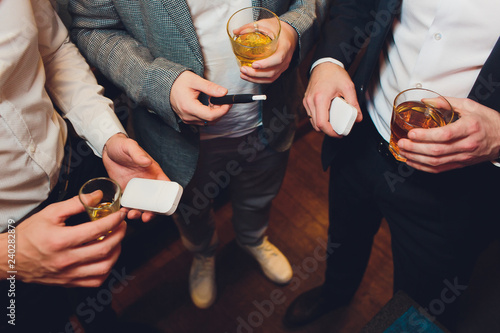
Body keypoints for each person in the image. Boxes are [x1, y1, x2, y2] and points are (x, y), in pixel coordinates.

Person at [69, 0, 327, 309]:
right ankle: (204, 252)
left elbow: (308, 4)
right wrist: (159, 83)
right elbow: (93, 28)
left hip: (270, 116)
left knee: (260, 194)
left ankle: (253, 239)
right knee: (190, 210)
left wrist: (292, 30)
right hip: (172, 133)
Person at [283, 0, 500, 329]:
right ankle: (335, 293)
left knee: (424, 303)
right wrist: (328, 62)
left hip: (457, 182)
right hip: (362, 135)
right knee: (344, 236)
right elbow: (356, 6)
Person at [0, 0, 168, 331]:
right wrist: (7, 255)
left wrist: (107, 137)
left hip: (74, 171)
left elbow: (53, 50)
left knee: (96, 288)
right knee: (29, 321)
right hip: (6, 240)